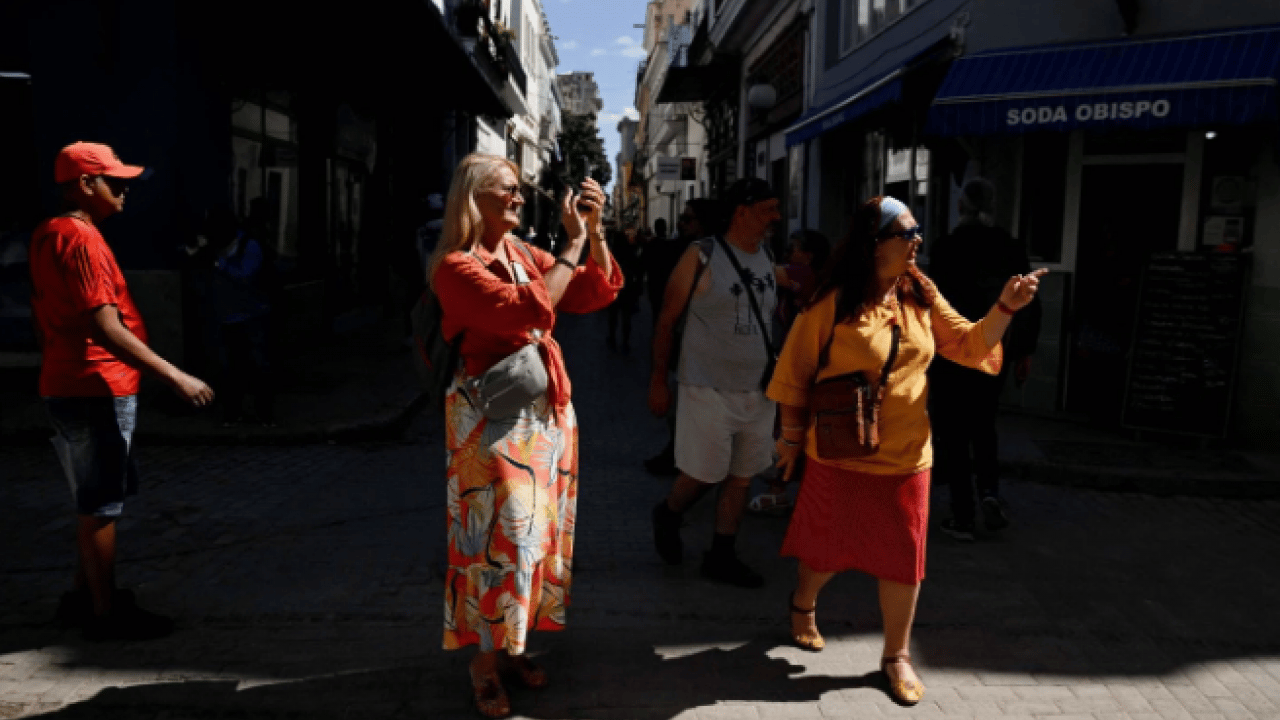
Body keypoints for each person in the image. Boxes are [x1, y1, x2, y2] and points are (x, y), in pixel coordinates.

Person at [767, 195, 1045, 705]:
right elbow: (794, 374)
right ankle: (803, 603)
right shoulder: (832, 302)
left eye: (917, 231)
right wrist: (788, 440)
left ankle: (896, 656)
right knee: (826, 551)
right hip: (840, 452)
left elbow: (971, 344)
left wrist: (1006, 307)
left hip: (907, 457)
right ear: (876, 245)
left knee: (903, 561)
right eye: (907, 232)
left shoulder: (920, 293)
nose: (918, 240)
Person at [429, 153, 620, 718]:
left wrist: (594, 233)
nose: (518, 197)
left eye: (518, 189)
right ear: (474, 199)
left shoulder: (519, 253)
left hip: (542, 415)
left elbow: (592, 292)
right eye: (506, 190)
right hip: (489, 421)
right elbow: (525, 310)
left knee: (535, 542)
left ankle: (513, 648)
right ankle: (483, 665)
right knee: (497, 545)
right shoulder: (454, 267)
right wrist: (571, 245)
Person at [29, 141, 215, 641]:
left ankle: (85, 597)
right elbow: (104, 326)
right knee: (101, 505)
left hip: (73, 382)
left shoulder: (51, 233)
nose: (124, 190)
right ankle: (105, 614)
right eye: (114, 181)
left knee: (93, 502)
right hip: (95, 386)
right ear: (85, 184)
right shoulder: (82, 240)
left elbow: (51, 317)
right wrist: (175, 375)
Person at [648, 178, 781, 588]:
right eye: (768, 209)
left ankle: (721, 554)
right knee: (706, 473)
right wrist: (658, 380)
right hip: (706, 385)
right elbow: (667, 320)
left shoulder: (766, 255)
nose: (776, 217)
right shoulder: (702, 254)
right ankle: (669, 511)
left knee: (741, 475)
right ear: (741, 212)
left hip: (758, 388)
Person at [928, 178, 1042, 541]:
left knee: (954, 432)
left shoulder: (946, 248)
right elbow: (1027, 300)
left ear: (961, 206)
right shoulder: (1009, 247)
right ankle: (990, 492)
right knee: (983, 423)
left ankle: (963, 515)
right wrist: (1025, 350)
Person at [747, 228, 833, 516]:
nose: (789, 253)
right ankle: (783, 489)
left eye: (794, 248)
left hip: (802, 364)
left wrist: (753, 244)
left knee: (789, 427)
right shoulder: (811, 276)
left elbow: (764, 272)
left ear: (808, 255)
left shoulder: (805, 274)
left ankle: (781, 490)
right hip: (796, 359)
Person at [642, 198, 722, 475]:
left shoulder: (706, 253)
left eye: (688, 219)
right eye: (682, 218)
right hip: (683, 335)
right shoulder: (685, 249)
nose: (681, 224)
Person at [208, 207, 276, 427]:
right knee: (232, 368)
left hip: (253, 316)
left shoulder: (249, 246)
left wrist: (221, 264)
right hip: (227, 318)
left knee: (259, 366)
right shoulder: (217, 249)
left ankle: (264, 415)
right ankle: (233, 413)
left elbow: (246, 275)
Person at [606, 227, 643, 352]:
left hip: (615, 288)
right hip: (628, 287)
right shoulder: (631, 252)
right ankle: (625, 341)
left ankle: (612, 337)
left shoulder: (612, 255)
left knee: (613, 315)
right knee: (626, 316)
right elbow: (638, 270)